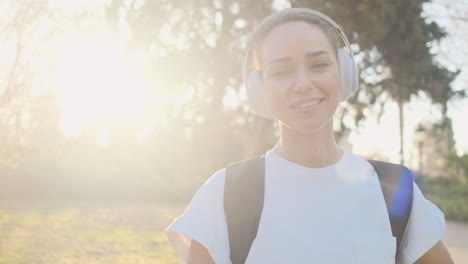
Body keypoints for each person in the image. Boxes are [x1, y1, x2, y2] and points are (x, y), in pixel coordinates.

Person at [165, 8, 454, 264]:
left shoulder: (393, 188)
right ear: (259, 89)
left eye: (318, 65)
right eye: (281, 72)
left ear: (344, 72)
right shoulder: (225, 192)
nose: (303, 83)